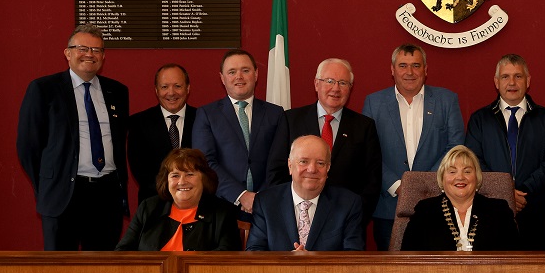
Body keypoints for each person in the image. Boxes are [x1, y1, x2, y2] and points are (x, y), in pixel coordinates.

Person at [17, 24, 129, 250]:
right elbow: (28, 147)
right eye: (82, 48)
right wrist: (50, 183)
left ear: (104, 56)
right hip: (63, 196)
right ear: (67, 53)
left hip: (106, 196)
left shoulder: (117, 91)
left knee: (103, 272)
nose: (89, 54)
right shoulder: (43, 89)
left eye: (97, 50)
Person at [362, 44, 464, 250]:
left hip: (437, 203)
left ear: (426, 70)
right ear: (392, 69)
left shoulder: (447, 100)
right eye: (403, 65)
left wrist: (424, 184)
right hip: (388, 207)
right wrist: (397, 186)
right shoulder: (374, 102)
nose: (409, 72)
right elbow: (368, 152)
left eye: (416, 65)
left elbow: (455, 147)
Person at [266, 58, 382, 229]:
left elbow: (372, 183)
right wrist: (291, 216)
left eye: (343, 83)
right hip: (294, 222)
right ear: (316, 84)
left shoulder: (364, 126)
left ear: (350, 88)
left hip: (345, 227)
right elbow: (276, 173)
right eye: (329, 81)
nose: (336, 88)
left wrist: (352, 220)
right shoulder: (290, 120)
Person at [465, 54, 545, 250]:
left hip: (533, 212)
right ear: (496, 82)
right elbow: (473, 163)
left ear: (528, 81)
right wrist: (504, 192)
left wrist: (522, 192)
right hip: (490, 211)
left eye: (518, 76)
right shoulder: (480, 119)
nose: (512, 82)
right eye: (505, 77)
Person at [192, 49, 284, 220]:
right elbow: (205, 163)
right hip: (222, 206)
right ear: (222, 78)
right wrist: (241, 195)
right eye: (232, 72)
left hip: (268, 207)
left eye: (245, 70)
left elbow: (279, 162)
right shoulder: (207, 114)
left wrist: (260, 198)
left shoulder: (276, 114)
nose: (239, 76)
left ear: (256, 74)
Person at [247, 136, 364, 251]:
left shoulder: (349, 204)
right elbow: (254, 252)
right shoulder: (265, 202)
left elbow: (353, 256)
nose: (312, 169)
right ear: (290, 165)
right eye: (303, 161)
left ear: (328, 168)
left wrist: (311, 264)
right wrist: (288, 263)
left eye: (320, 163)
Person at [116, 148, 240, 251]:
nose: (182, 182)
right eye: (175, 175)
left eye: (189, 174)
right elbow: (122, 253)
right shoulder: (148, 207)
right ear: (166, 181)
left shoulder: (223, 212)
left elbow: (226, 261)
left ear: (204, 179)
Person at [401, 145, 519, 251]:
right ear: (442, 178)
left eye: (467, 171)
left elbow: (516, 260)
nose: (460, 177)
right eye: (452, 172)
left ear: (477, 177)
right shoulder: (424, 211)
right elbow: (408, 260)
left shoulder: (499, 210)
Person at [128, 64, 198, 204]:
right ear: (156, 90)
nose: (171, 93)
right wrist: (173, 192)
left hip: (196, 204)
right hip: (155, 206)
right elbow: (140, 170)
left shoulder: (203, 119)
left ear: (188, 88)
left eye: (177, 86)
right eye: (164, 87)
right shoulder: (139, 123)